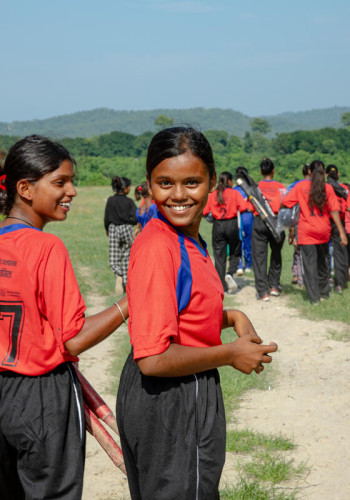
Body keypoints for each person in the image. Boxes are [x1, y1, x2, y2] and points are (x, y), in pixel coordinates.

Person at [116, 126, 278, 500]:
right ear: (148, 184)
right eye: (164, 183)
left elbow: (181, 310)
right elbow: (153, 358)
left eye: (191, 182)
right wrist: (230, 353)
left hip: (187, 385)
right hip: (170, 397)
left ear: (210, 181)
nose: (178, 195)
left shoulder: (187, 237)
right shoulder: (159, 246)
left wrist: (231, 315)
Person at [0, 135, 129, 500]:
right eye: (60, 182)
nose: (72, 191)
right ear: (24, 188)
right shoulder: (46, 247)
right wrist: (128, 304)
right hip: (40, 396)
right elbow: (72, 339)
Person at [282, 160, 347, 304]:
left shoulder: (300, 187)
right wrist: (342, 233)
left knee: (310, 266)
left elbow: (286, 203)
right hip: (324, 231)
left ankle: (314, 298)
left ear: (309, 172)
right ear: (324, 172)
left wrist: (289, 226)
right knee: (323, 264)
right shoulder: (328, 188)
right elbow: (334, 211)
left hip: (307, 232)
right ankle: (324, 293)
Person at [203, 171, 247, 293]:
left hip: (218, 226)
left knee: (219, 256)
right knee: (236, 251)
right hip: (232, 224)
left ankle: (222, 285)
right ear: (229, 181)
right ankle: (230, 272)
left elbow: (205, 212)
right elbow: (243, 208)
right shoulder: (234, 193)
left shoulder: (213, 195)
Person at [250, 158, 286, 301]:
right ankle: (274, 286)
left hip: (260, 221)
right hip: (277, 221)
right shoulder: (281, 187)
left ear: (261, 171)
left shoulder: (255, 187)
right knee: (276, 253)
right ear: (273, 171)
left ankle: (262, 291)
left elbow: (248, 205)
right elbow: (286, 206)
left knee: (259, 256)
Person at [104, 175, 137, 295]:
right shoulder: (129, 201)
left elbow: (107, 217)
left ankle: (118, 275)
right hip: (127, 228)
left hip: (113, 229)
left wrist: (107, 228)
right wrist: (132, 223)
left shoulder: (110, 200)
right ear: (126, 188)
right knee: (127, 255)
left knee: (114, 256)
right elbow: (135, 216)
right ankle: (126, 282)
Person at [325, 164, 349, 294]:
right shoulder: (344, 188)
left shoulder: (324, 187)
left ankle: (327, 278)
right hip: (340, 223)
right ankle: (339, 283)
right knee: (340, 253)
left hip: (327, 221)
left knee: (325, 251)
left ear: (326, 175)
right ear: (338, 175)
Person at [233, 166, 254, 275]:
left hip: (239, 217)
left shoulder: (234, 190)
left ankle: (240, 264)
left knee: (239, 241)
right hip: (248, 216)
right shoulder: (251, 188)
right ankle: (248, 265)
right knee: (248, 241)